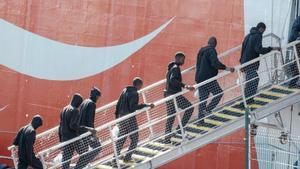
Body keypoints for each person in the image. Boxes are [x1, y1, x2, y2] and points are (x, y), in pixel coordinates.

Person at [113, 77, 154, 165]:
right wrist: (146, 105)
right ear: (138, 84)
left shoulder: (125, 90)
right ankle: (127, 158)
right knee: (135, 139)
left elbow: (118, 104)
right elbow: (133, 107)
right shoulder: (134, 93)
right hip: (129, 119)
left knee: (121, 139)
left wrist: (117, 117)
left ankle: (114, 160)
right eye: (141, 86)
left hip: (121, 118)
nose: (141, 87)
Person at [240, 22, 280, 106]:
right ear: (261, 28)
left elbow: (243, 48)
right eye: (263, 31)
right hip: (250, 63)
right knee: (254, 80)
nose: (263, 33)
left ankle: (247, 100)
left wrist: (241, 62)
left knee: (251, 81)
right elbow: (259, 49)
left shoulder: (248, 35)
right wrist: (271, 48)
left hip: (245, 62)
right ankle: (247, 101)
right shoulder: (258, 35)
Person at [195, 37, 235, 121]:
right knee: (219, 93)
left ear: (208, 42)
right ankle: (208, 110)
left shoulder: (201, 51)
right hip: (208, 78)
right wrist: (227, 68)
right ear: (215, 44)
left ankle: (200, 120)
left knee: (203, 99)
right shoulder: (211, 50)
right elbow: (215, 63)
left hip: (199, 78)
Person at [58, 93, 96, 169]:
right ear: (77, 102)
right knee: (85, 154)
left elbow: (60, 126)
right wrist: (88, 129)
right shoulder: (75, 110)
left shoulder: (64, 109)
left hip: (65, 140)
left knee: (66, 161)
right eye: (79, 103)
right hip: (74, 139)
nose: (79, 105)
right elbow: (73, 126)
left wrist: (60, 140)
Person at [164, 52, 195, 144]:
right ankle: (179, 129)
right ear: (178, 58)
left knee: (171, 115)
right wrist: (186, 86)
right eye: (182, 59)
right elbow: (173, 80)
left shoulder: (171, 68)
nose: (183, 61)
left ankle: (167, 137)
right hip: (174, 95)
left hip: (168, 94)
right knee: (190, 108)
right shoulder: (175, 68)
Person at [76, 87, 102, 168]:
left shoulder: (84, 102)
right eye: (98, 97)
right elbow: (90, 121)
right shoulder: (92, 104)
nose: (98, 99)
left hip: (80, 131)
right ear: (95, 96)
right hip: (86, 132)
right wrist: (93, 135)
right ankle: (78, 167)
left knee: (85, 153)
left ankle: (79, 167)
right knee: (98, 147)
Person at [287, 16, 300, 88]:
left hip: (296, 43)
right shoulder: (299, 19)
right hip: (297, 43)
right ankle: (292, 84)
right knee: (298, 64)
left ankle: (292, 83)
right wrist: (298, 38)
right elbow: (294, 30)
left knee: (297, 64)